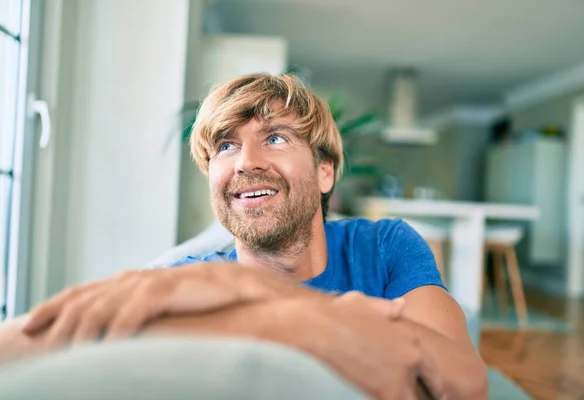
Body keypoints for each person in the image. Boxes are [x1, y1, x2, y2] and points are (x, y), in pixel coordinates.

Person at [0, 73, 487, 399]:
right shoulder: (181, 281)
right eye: (226, 146)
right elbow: (25, 347)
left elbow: (466, 381)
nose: (246, 162)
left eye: (274, 137)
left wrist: (242, 292)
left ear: (324, 172)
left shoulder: (383, 246)